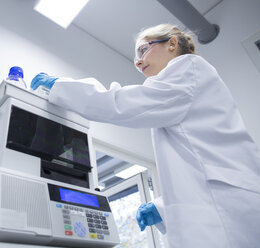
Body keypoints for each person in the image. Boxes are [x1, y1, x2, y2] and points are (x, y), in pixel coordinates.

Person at [30, 24, 260, 248]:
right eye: (135, 58)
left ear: (171, 44)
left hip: (228, 202)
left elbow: (122, 104)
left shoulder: (188, 68)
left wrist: (62, 87)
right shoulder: (181, 90)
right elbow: (193, 163)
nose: (138, 62)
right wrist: (162, 207)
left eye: (143, 50)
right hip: (224, 198)